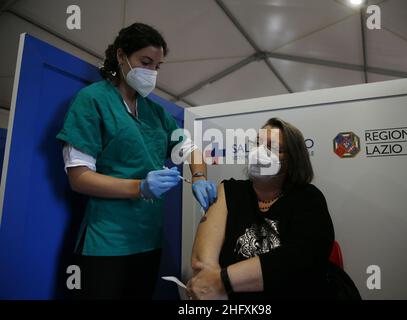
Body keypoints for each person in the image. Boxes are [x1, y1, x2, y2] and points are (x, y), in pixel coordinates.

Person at [56, 23, 216, 299]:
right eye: (145, 62)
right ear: (121, 56)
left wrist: (199, 177)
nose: (152, 72)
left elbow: (191, 148)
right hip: (108, 241)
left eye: (157, 66)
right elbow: (78, 178)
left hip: (149, 238)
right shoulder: (92, 100)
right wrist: (140, 187)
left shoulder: (155, 111)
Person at [187, 118, 335, 300]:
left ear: (292, 159)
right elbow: (202, 260)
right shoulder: (229, 191)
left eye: (273, 148)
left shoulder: (308, 198)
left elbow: (302, 259)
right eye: (257, 143)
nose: (259, 152)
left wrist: (221, 282)